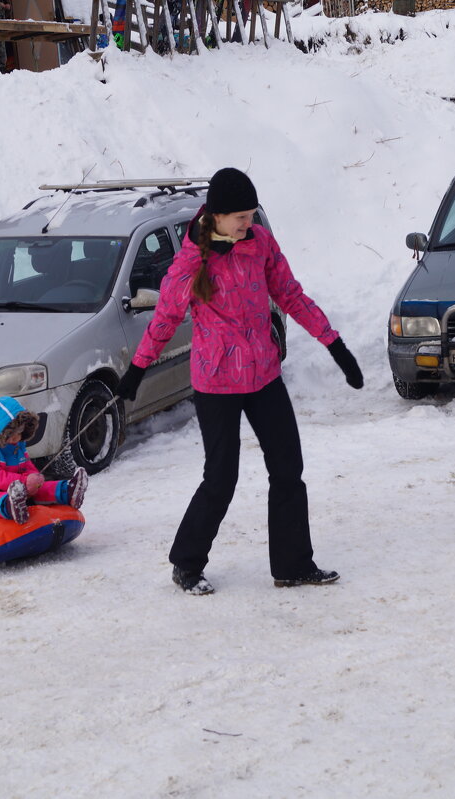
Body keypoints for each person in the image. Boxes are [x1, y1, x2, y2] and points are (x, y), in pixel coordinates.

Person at [115, 167, 364, 596]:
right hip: (216, 382)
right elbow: (165, 319)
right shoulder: (193, 259)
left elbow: (290, 295)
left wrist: (334, 344)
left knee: (288, 469)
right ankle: (186, 563)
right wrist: (137, 369)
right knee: (221, 477)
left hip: (264, 374)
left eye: (251, 214)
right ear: (215, 215)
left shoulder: (259, 244)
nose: (249, 223)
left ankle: (293, 565)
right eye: (241, 217)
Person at [0, 396, 89, 524]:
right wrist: (24, 482)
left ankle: (67, 491)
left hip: (12, 484)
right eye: (11, 435)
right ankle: (8, 505)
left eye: (19, 433)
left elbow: (25, 463)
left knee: (34, 487)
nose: (16, 438)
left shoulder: (16, 444)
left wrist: (33, 478)